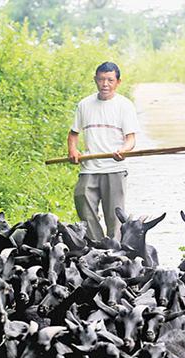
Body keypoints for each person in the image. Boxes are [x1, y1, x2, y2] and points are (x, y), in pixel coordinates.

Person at [68, 61, 140, 241]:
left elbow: (131, 139)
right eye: (101, 79)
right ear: (95, 80)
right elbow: (73, 134)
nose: (105, 84)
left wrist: (123, 150)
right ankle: (97, 245)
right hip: (89, 167)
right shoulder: (84, 104)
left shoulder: (125, 105)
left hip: (114, 169)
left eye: (110, 80)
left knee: (115, 218)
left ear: (118, 82)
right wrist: (73, 150)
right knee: (82, 200)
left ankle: (115, 249)